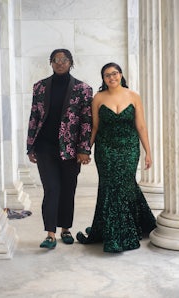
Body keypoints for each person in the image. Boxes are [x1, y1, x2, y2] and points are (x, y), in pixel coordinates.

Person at [76, 62, 156, 253]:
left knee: (126, 185)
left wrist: (148, 152)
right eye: (107, 75)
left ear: (121, 75)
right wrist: (86, 150)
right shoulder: (98, 98)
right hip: (105, 149)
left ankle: (130, 227)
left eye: (114, 74)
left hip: (129, 148)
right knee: (110, 187)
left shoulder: (134, 96)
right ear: (103, 79)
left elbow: (141, 127)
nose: (111, 78)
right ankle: (113, 233)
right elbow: (94, 127)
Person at [27, 49, 93, 249]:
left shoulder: (83, 89)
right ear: (51, 63)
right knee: (51, 189)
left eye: (64, 60)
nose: (60, 63)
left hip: (71, 149)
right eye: (55, 60)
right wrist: (30, 146)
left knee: (68, 189)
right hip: (45, 147)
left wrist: (84, 149)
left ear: (71, 62)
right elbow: (34, 117)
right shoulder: (39, 87)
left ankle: (65, 229)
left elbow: (86, 122)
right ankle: (49, 234)